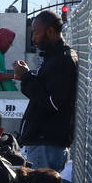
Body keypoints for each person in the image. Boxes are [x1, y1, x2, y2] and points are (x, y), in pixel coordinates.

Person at [14, 10, 78, 172]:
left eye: (36, 33)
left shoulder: (63, 59)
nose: (33, 38)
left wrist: (27, 77)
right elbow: (46, 90)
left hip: (46, 144)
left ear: (50, 31)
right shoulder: (55, 57)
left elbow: (51, 102)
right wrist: (28, 75)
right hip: (44, 142)